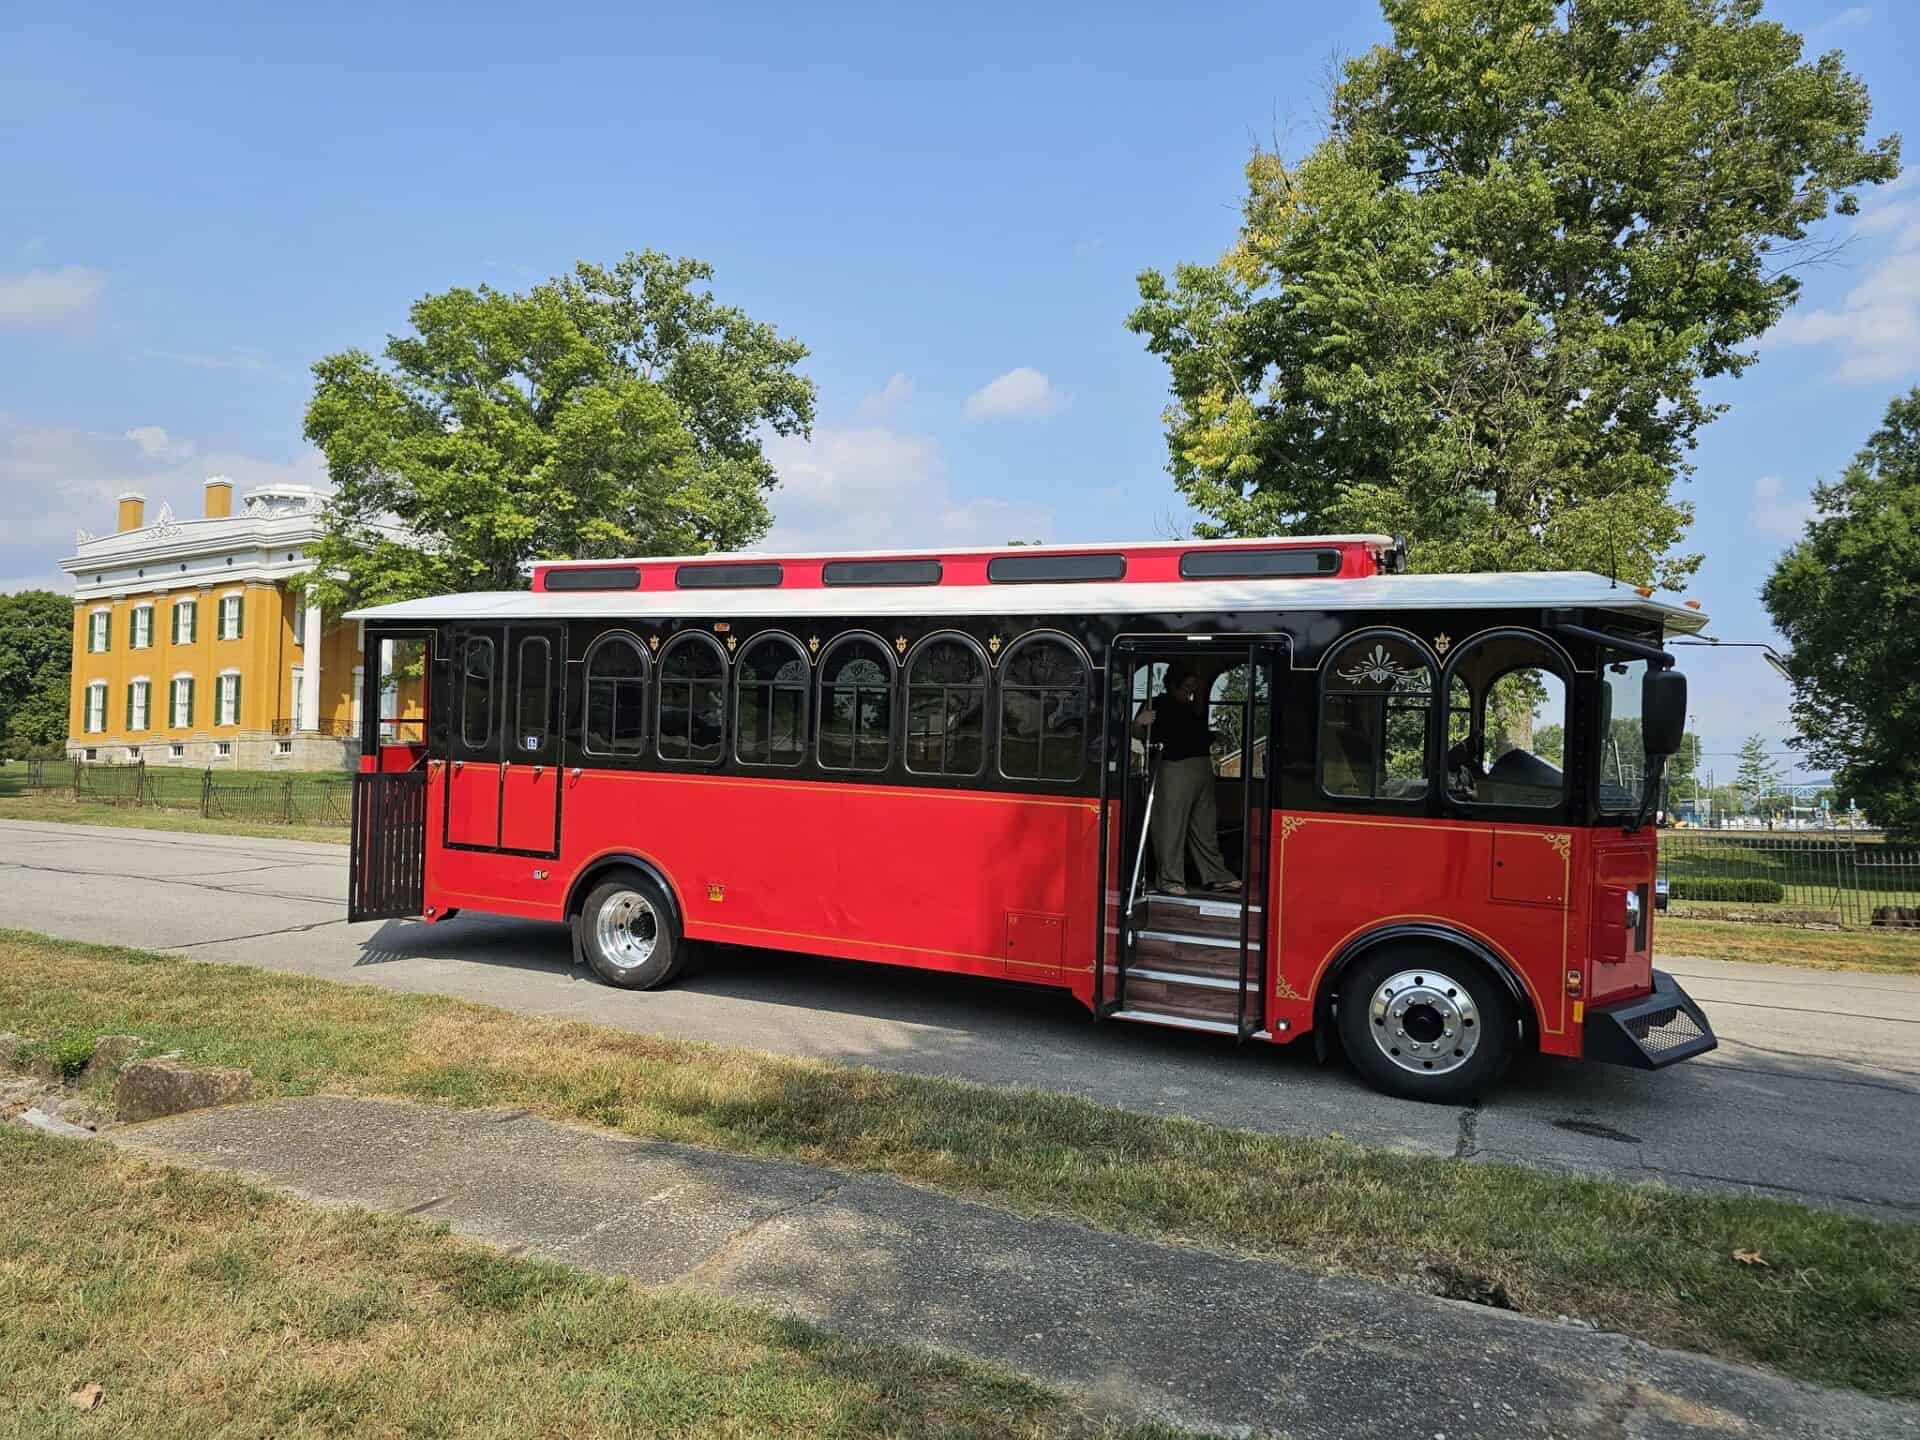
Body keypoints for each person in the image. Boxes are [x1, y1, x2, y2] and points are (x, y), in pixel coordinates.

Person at [1133, 664, 1238, 895]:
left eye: (1194, 687)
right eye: (1188, 686)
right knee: (1170, 826)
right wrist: (1140, 722)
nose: (1192, 691)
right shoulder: (1157, 704)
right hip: (1174, 769)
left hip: (1202, 768)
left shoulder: (1190, 707)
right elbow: (1137, 733)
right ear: (1174, 685)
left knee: (1205, 828)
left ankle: (1216, 876)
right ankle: (1170, 879)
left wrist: (1213, 736)